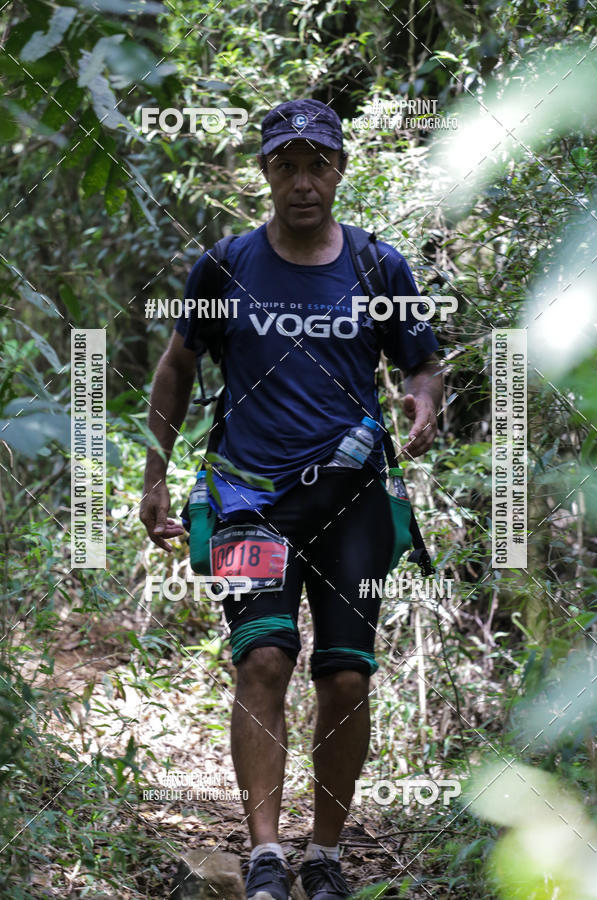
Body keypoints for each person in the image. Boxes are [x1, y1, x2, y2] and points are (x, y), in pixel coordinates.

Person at [140, 98, 443, 900]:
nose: (303, 182)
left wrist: (423, 399)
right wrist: (155, 472)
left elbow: (423, 361)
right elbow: (176, 365)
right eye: (287, 166)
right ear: (266, 172)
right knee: (264, 658)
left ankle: (329, 857)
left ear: (339, 170)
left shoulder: (380, 267)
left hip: (354, 499)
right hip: (247, 495)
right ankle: (268, 853)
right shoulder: (226, 265)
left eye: (318, 164)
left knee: (346, 677)